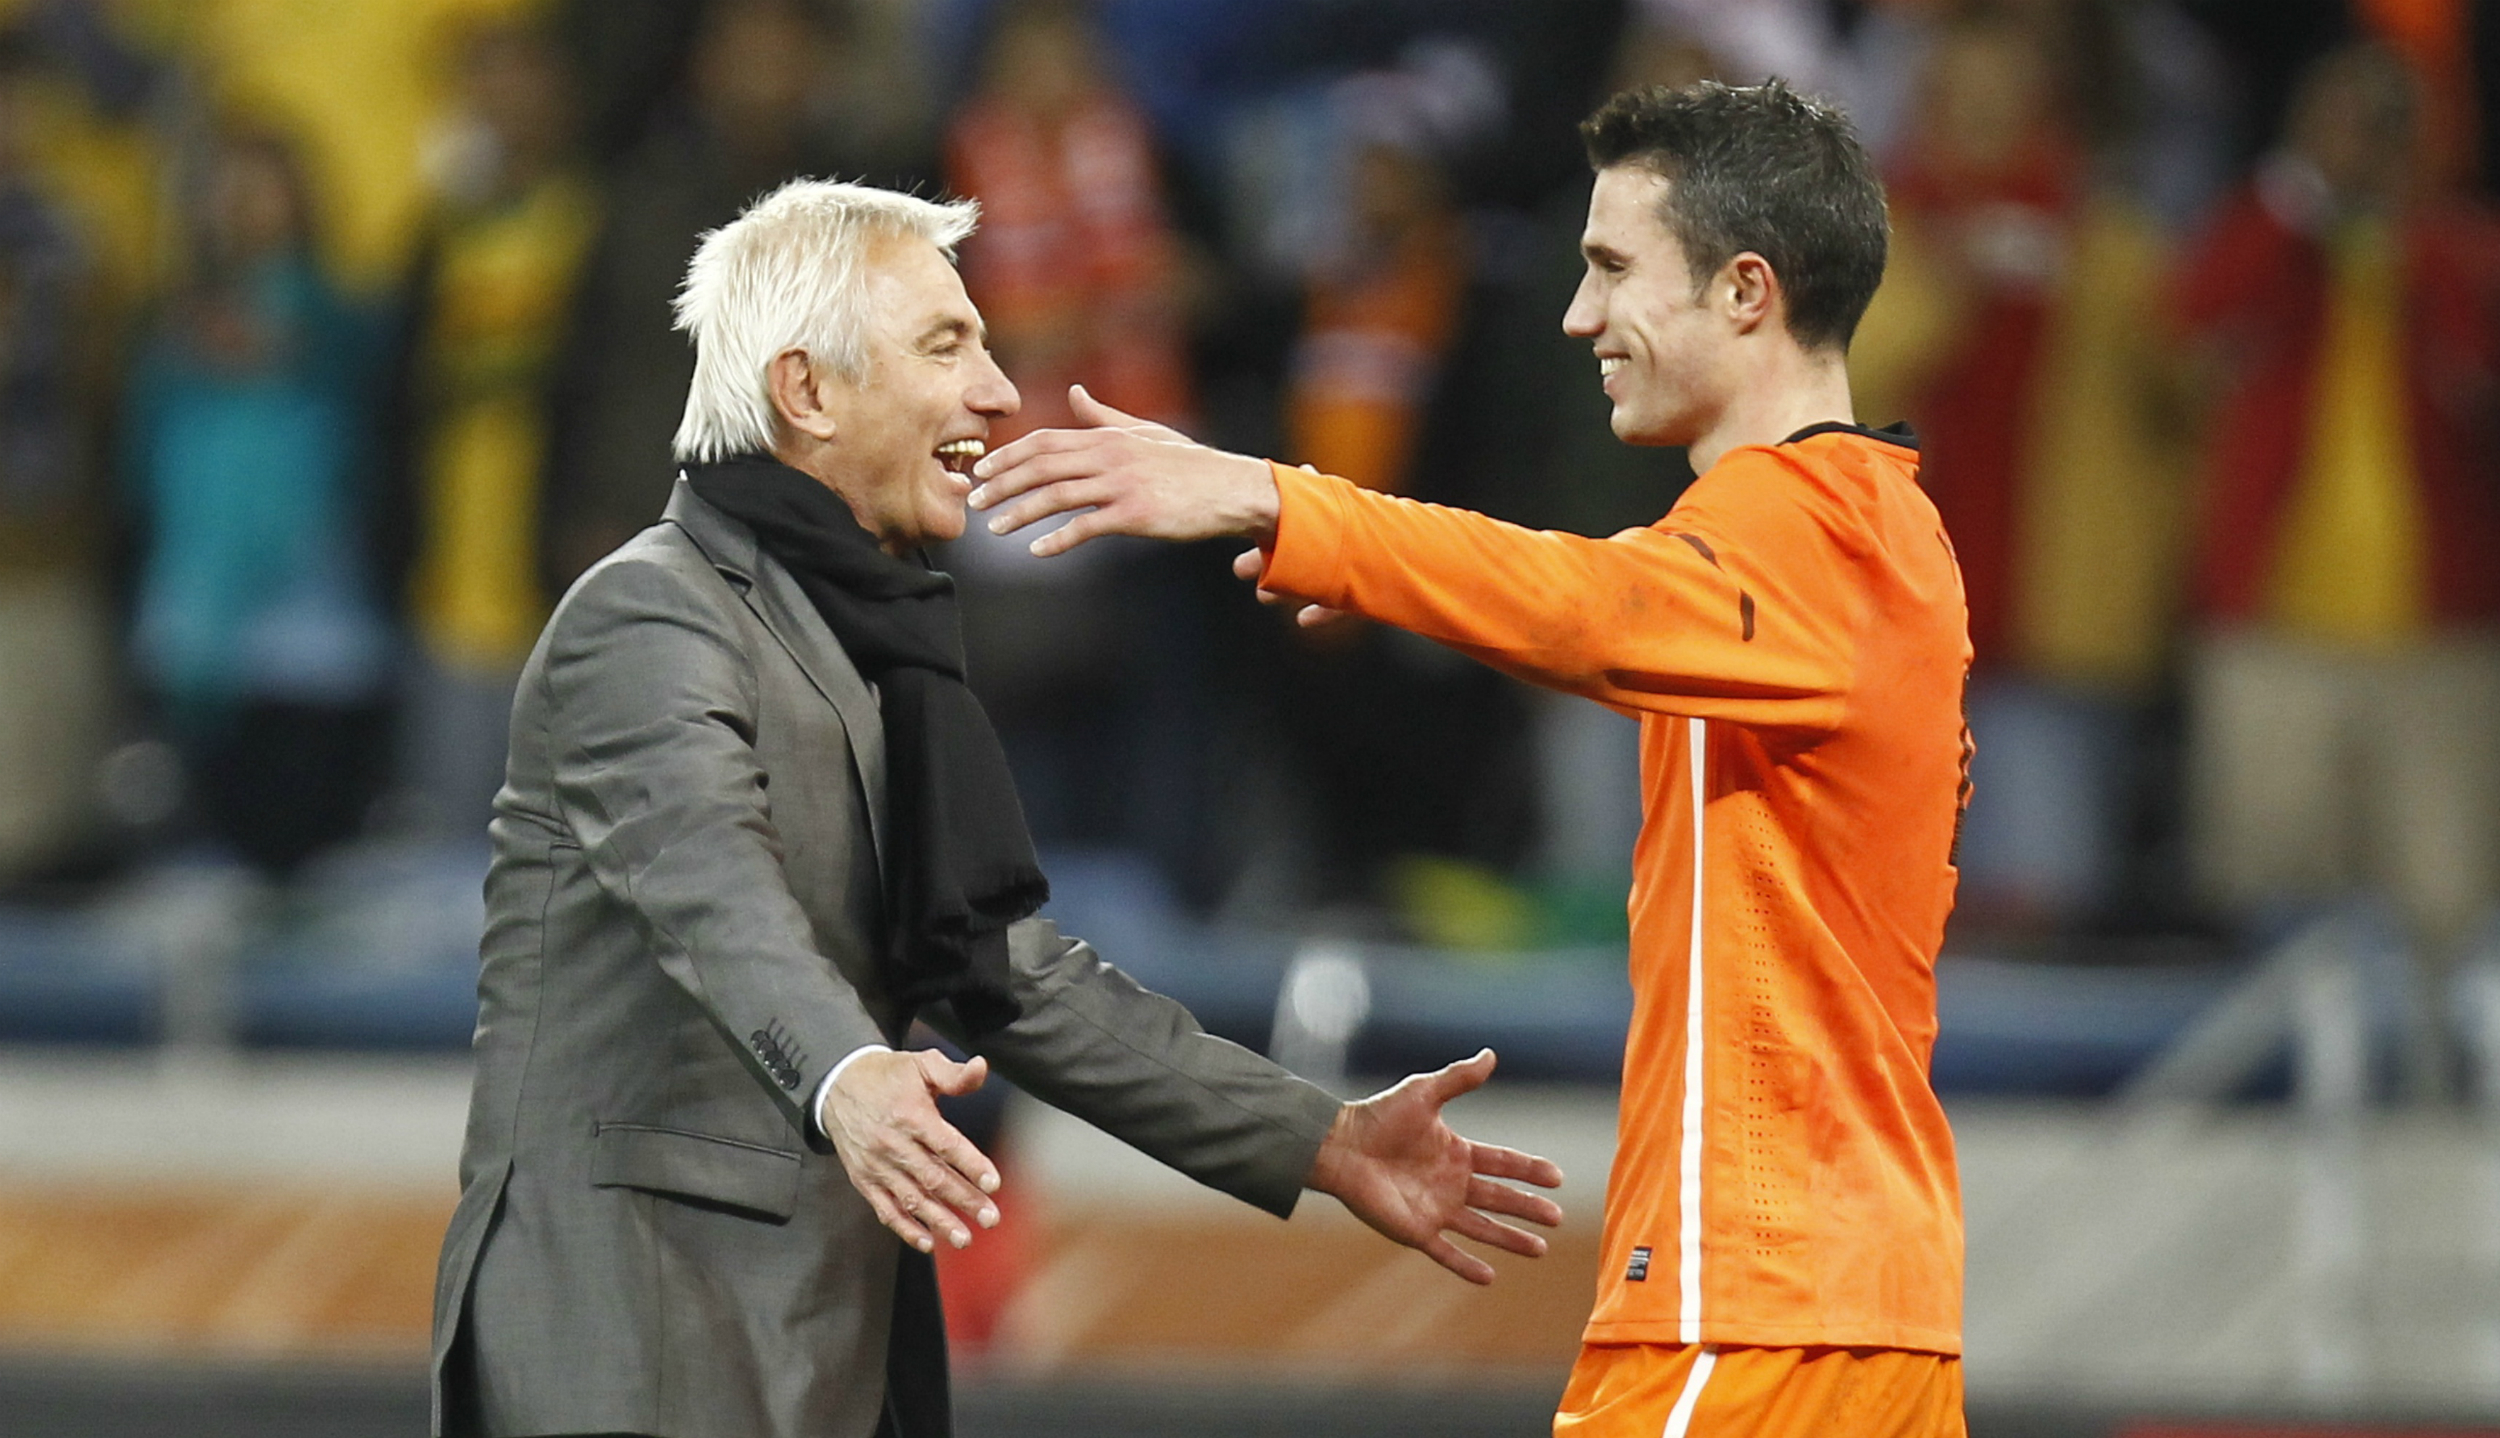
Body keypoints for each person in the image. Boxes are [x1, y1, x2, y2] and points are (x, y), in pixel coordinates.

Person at [430, 178, 1564, 1438]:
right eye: (945, 346)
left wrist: (1319, 1139)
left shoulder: (875, 640)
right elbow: (713, 893)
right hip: (629, 1343)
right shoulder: (649, 611)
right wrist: (849, 1069)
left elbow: (1004, 970)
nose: (995, 391)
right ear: (806, 391)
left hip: (811, 1350)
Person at [972, 80, 1972, 1436]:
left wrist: (1276, 495)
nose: (1578, 317)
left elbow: (1595, 610)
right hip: (1833, 1301)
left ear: (1746, 290)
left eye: (1613, 268)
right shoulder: (1861, 535)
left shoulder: (1817, 535)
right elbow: (1618, 608)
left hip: (1761, 1306)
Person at [2170, 42, 2500, 1095]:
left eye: (2381, 130)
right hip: (2277, 628)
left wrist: (2410, 221)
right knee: (2278, 882)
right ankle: (2296, 1096)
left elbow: (2478, 366)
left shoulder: (2456, 247)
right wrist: (2302, 193)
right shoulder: (2273, 236)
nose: (2361, 149)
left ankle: (2442, 1098)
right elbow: (2191, 312)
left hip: (2436, 635)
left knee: (2449, 894)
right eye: (2341, 126)